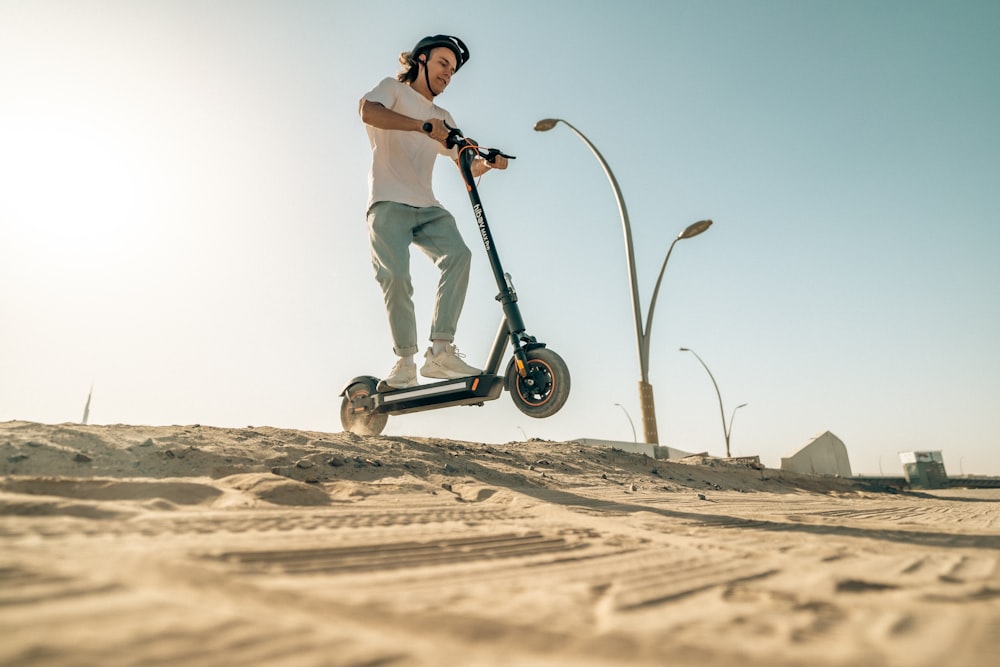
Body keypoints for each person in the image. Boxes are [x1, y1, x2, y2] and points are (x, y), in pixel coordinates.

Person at [359, 35, 508, 391]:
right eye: (443, 64)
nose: (448, 75)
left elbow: (464, 161)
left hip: (428, 208)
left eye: (453, 71)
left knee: (459, 255)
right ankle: (405, 362)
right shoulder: (392, 90)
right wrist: (419, 125)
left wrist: (488, 163)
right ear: (421, 60)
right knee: (395, 277)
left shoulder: (443, 116)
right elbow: (368, 110)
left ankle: (440, 353)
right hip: (387, 202)